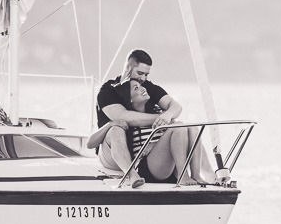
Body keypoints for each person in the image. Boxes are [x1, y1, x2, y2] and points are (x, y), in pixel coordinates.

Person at [90, 49, 215, 187]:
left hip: (142, 155)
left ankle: (204, 175)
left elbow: (175, 107)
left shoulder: (146, 87)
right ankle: (131, 175)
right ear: (128, 67)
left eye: (146, 74)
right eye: (140, 73)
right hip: (111, 151)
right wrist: (161, 119)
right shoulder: (108, 90)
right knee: (116, 128)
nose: (143, 79)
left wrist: (167, 116)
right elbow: (123, 117)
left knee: (186, 127)